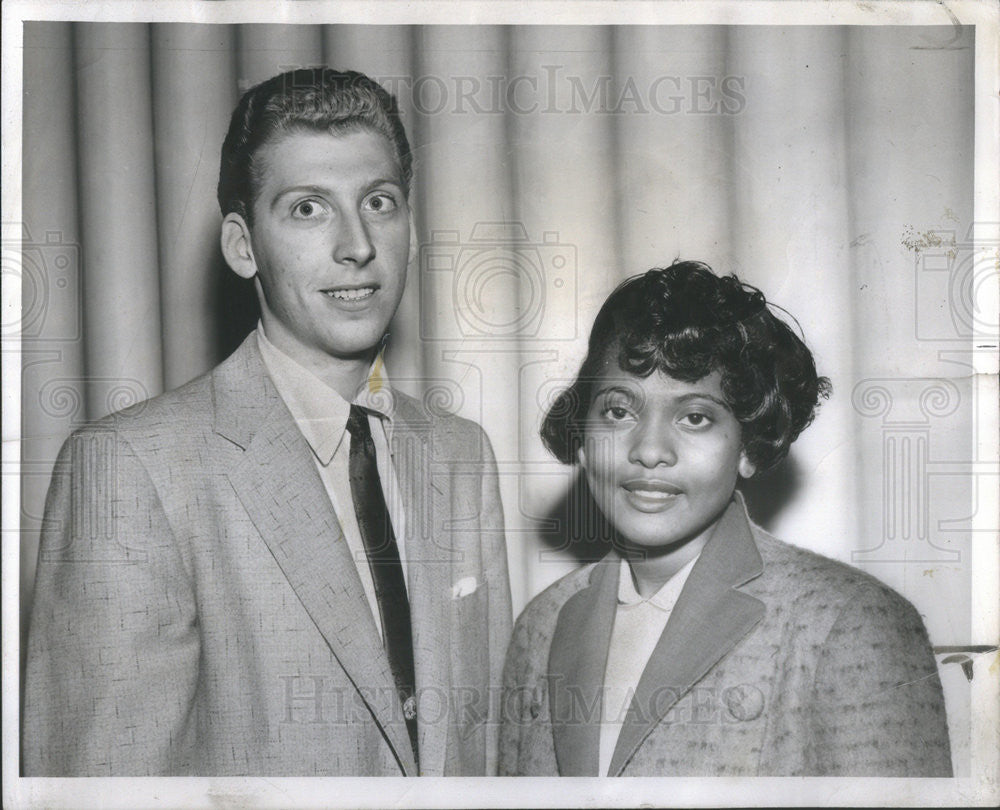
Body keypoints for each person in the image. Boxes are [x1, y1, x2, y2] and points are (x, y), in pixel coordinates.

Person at [23, 68, 511, 777]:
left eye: (379, 201)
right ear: (243, 246)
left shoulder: (460, 454)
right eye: (308, 209)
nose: (357, 244)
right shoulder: (127, 469)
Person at [499, 261, 951, 777]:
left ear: (748, 448)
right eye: (619, 411)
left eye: (695, 417)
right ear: (581, 433)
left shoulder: (852, 624)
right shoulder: (542, 624)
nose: (649, 451)